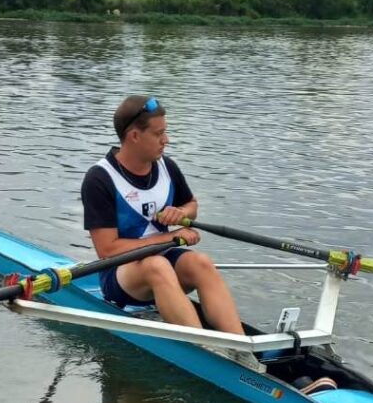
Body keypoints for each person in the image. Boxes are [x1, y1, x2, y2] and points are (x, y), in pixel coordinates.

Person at [81, 95, 249, 340]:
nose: (166, 140)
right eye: (158, 134)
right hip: (120, 275)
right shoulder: (100, 179)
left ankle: (241, 348)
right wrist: (169, 236)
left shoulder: (167, 167)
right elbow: (107, 249)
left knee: (201, 263)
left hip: (164, 260)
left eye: (165, 132)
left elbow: (192, 205)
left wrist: (182, 214)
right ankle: (204, 353)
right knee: (157, 266)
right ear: (134, 136)